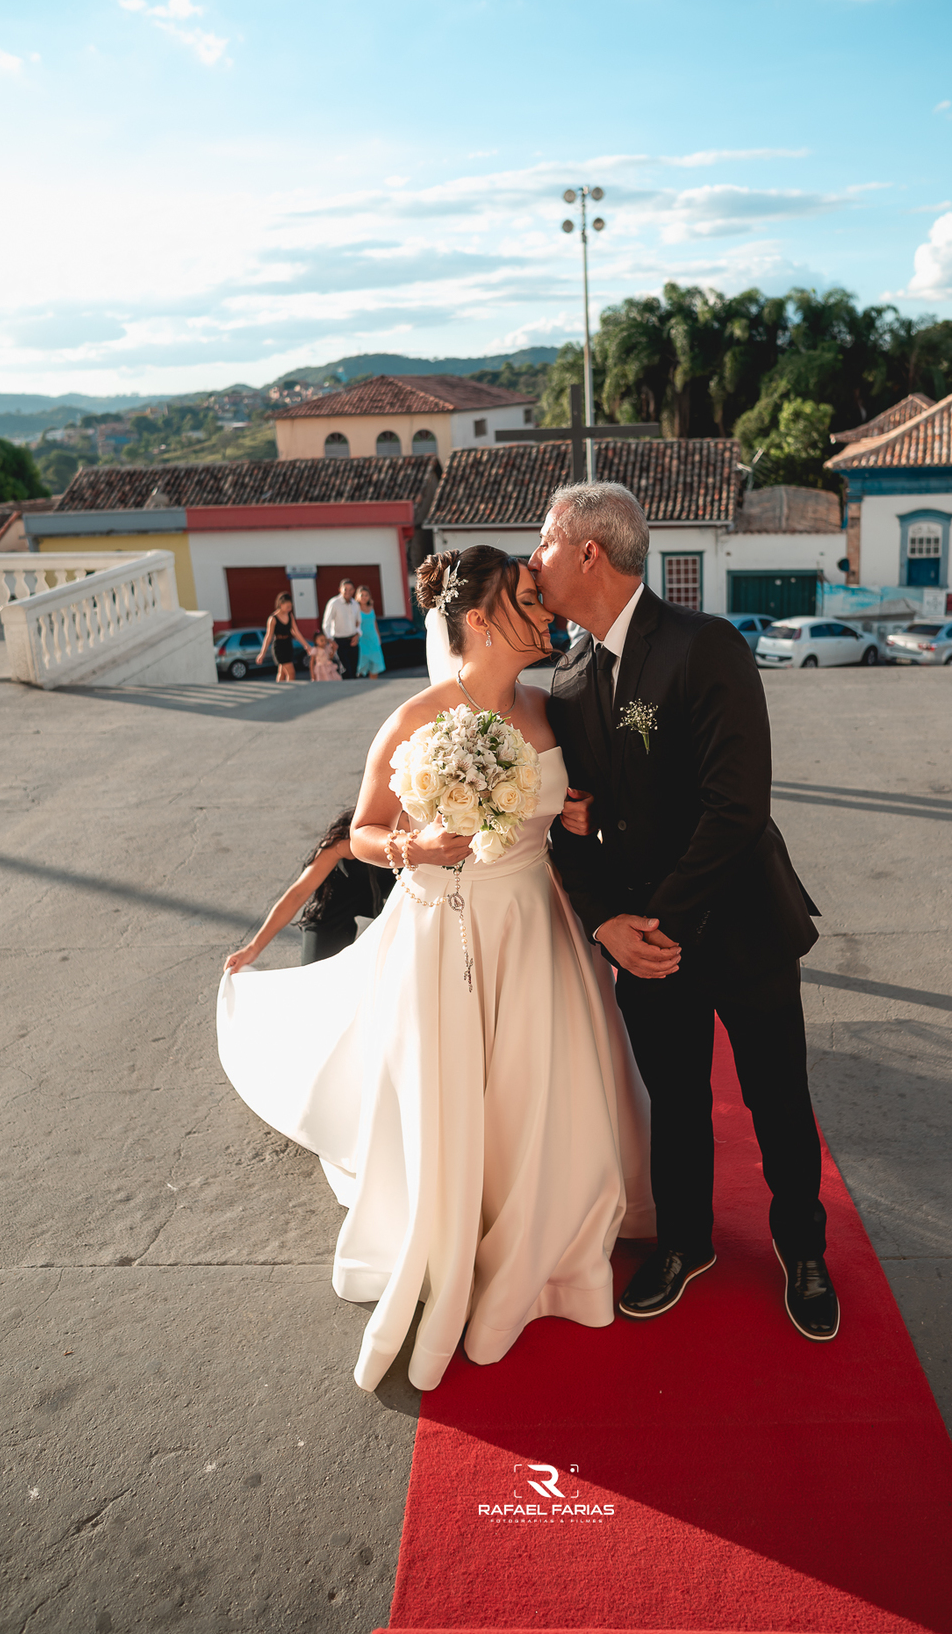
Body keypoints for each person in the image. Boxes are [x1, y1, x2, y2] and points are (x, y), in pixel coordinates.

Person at [217, 545, 653, 1393]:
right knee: (455, 1098)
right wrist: (412, 844)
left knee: (545, 1092)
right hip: (446, 931)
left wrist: (578, 817)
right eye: (530, 597)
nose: (548, 607)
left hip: (537, 925)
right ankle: (455, 1229)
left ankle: (551, 1242)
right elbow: (365, 835)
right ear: (482, 619)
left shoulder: (550, 706)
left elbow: (566, 819)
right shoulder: (414, 720)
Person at [529, 481, 839, 1342]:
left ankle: (804, 1248)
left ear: (590, 550)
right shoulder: (566, 675)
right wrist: (603, 924)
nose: (534, 559)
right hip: (639, 941)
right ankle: (686, 1243)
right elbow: (567, 823)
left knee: (778, 1097)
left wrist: (653, 922)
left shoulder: (708, 647)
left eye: (545, 543)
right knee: (674, 1102)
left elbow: (735, 807)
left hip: (738, 926)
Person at [224, 809, 396, 969]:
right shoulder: (343, 840)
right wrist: (253, 948)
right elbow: (297, 894)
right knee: (317, 978)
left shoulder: (412, 827)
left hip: (396, 900)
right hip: (338, 904)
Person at [259, 591, 313, 683]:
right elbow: (268, 636)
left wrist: (306, 645)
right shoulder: (273, 618)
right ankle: (289, 692)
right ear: (281, 604)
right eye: (287, 607)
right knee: (291, 673)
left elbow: (296, 632)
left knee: (282, 672)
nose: (289, 609)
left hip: (288, 644)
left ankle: (279, 688)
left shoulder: (289, 615)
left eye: (291, 607)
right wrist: (262, 653)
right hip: (279, 646)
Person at [322, 578, 361, 679]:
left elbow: (358, 623)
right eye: (345, 589)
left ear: (353, 590)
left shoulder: (355, 604)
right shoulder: (334, 603)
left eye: (350, 589)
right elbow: (326, 624)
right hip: (339, 642)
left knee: (354, 670)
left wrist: (357, 635)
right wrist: (330, 640)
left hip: (353, 641)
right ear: (340, 589)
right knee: (345, 671)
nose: (348, 592)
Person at [354, 586, 385, 677]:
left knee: (375, 666)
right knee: (361, 667)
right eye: (362, 595)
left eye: (366, 595)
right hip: (362, 641)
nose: (364, 597)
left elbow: (374, 623)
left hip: (373, 640)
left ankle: (374, 684)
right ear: (357, 596)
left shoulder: (371, 607)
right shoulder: (355, 609)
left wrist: (378, 637)